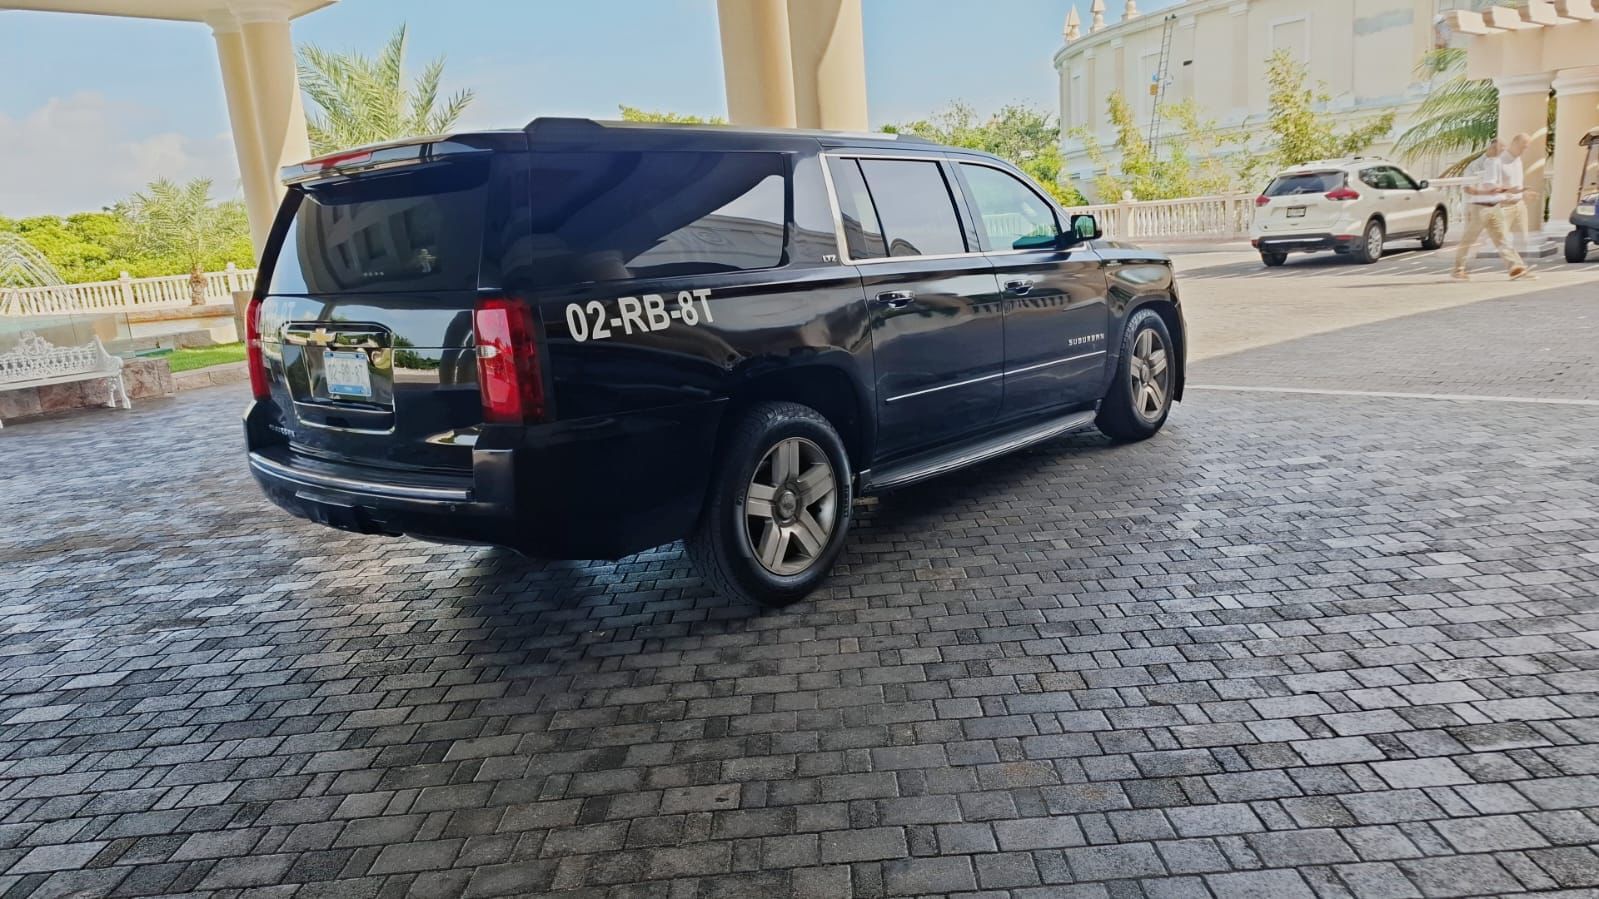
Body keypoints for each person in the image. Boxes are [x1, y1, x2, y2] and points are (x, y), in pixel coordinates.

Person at [1453, 138, 1528, 281]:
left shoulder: (1499, 164)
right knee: (1468, 240)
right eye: (1501, 150)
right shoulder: (1475, 166)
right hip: (1478, 208)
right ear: (1492, 148)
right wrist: (1488, 192)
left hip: (1494, 208)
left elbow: (1501, 185)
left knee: (1503, 239)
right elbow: (1468, 188)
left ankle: (1514, 267)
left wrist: (1509, 191)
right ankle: (1458, 269)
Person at [1498, 132, 1536, 278]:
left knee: (1523, 239)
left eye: (1526, 147)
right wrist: (1504, 192)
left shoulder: (1518, 160)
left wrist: (1524, 193)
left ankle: (1519, 267)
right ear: (1514, 143)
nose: (1524, 150)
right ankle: (1515, 268)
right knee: (1503, 239)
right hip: (1504, 206)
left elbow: (1517, 183)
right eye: (1523, 146)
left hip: (1519, 205)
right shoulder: (1500, 161)